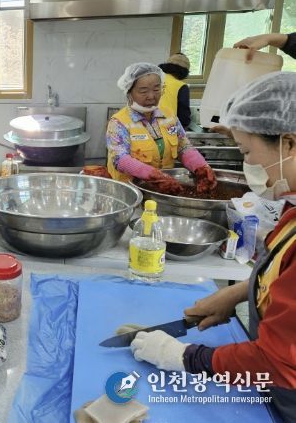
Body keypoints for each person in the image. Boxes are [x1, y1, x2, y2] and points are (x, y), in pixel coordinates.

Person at [130, 71, 296, 422]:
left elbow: (279, 364)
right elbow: (282, 275)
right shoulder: (291, 212)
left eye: (247, 151)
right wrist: (239, 293)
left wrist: (186, 357)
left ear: (289, 144)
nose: (248, 165)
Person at [106, 62, 217, 194]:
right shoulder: (119, 122)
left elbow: (183, 147)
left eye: (156, 89)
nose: (151, 96)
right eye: (143, 91)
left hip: (163, 192)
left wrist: (201, 167)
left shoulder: (169, 115)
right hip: (130, 193)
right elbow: (120, 159)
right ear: (129, 92)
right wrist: (155, 176)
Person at [158, 53, 192, 129]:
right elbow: (184, 115)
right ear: (184, 72)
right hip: (167, 128)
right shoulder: (181, 86)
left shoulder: (154, 78)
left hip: (144, 126)